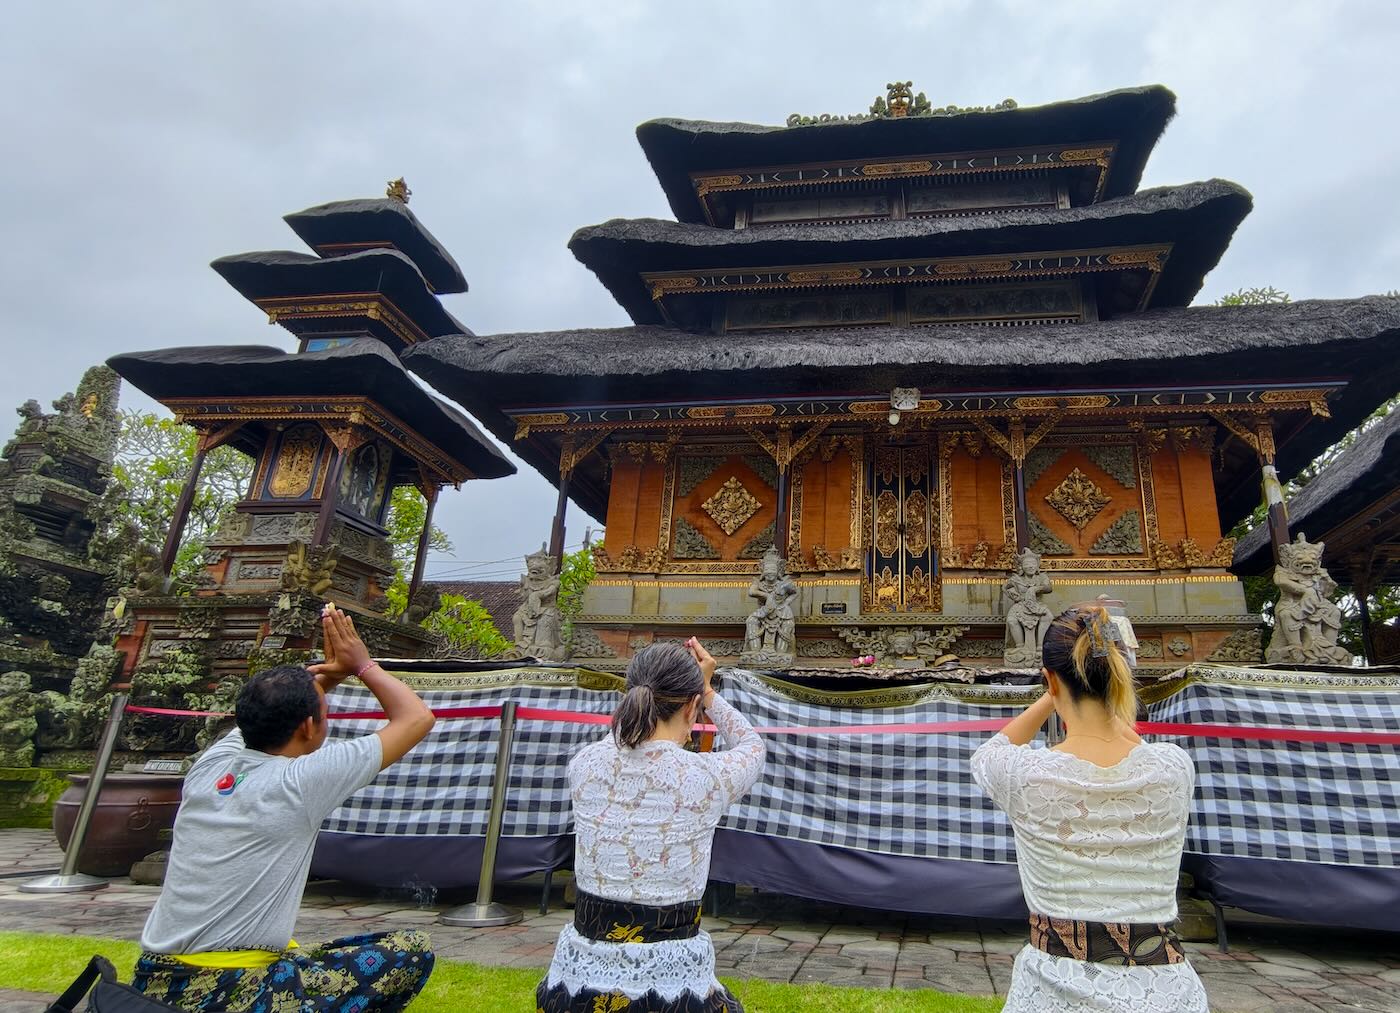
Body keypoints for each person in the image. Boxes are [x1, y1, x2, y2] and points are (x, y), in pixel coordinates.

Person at [132, 604, 437, 1012]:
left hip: (153, 979)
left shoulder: (210, 769)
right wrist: (362, 666)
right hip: (231, 989)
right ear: (309, 728)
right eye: (323, 715)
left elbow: (267, 712)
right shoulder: (298, 782)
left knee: (312, 957)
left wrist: (323, 680)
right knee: (409, 950)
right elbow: (416, 717)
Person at [971, 604, 1209, 1012]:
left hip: (1052, 988)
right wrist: (1111, 689)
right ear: (1118, 675)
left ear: (1050, 679)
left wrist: (1051, 697)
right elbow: (1132, 742)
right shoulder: (1174, 769)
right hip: (1165, 992)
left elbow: (990, 752)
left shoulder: (1025, 775)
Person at [537, 639, 766, 1012]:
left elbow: (620, 742)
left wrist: (693, 691)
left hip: (577, 987)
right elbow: (752, 747)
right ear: (691, 706)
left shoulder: (583, 764)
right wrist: (708, 692)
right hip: (672, 994)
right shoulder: (705, 776)